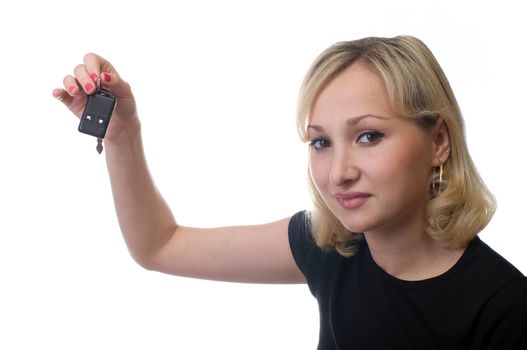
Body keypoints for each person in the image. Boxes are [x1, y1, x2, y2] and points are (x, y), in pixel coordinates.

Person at [53, 35, 527, 349]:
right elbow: (159, 245)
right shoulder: (328, 246)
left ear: (438, 142)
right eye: (321, 142)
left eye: (368, 136)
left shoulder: (504, 309)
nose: (339, 173)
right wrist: (122, 135)